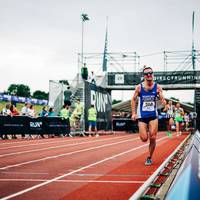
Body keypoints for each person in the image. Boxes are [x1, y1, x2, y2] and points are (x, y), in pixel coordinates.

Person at [131, 66, 165, 166]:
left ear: (152, 74)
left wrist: (162, 100)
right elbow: (133, 100)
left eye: (150, 73)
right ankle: (144, 129)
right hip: (142, 116)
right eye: (146, 74)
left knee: (153, 137)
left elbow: (162, 97)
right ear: (144, 76)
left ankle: (149, 157)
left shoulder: (157, 87)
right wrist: (133, 113)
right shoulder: (139, 87)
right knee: (144, 138)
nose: (149, 75)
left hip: (153, 115)